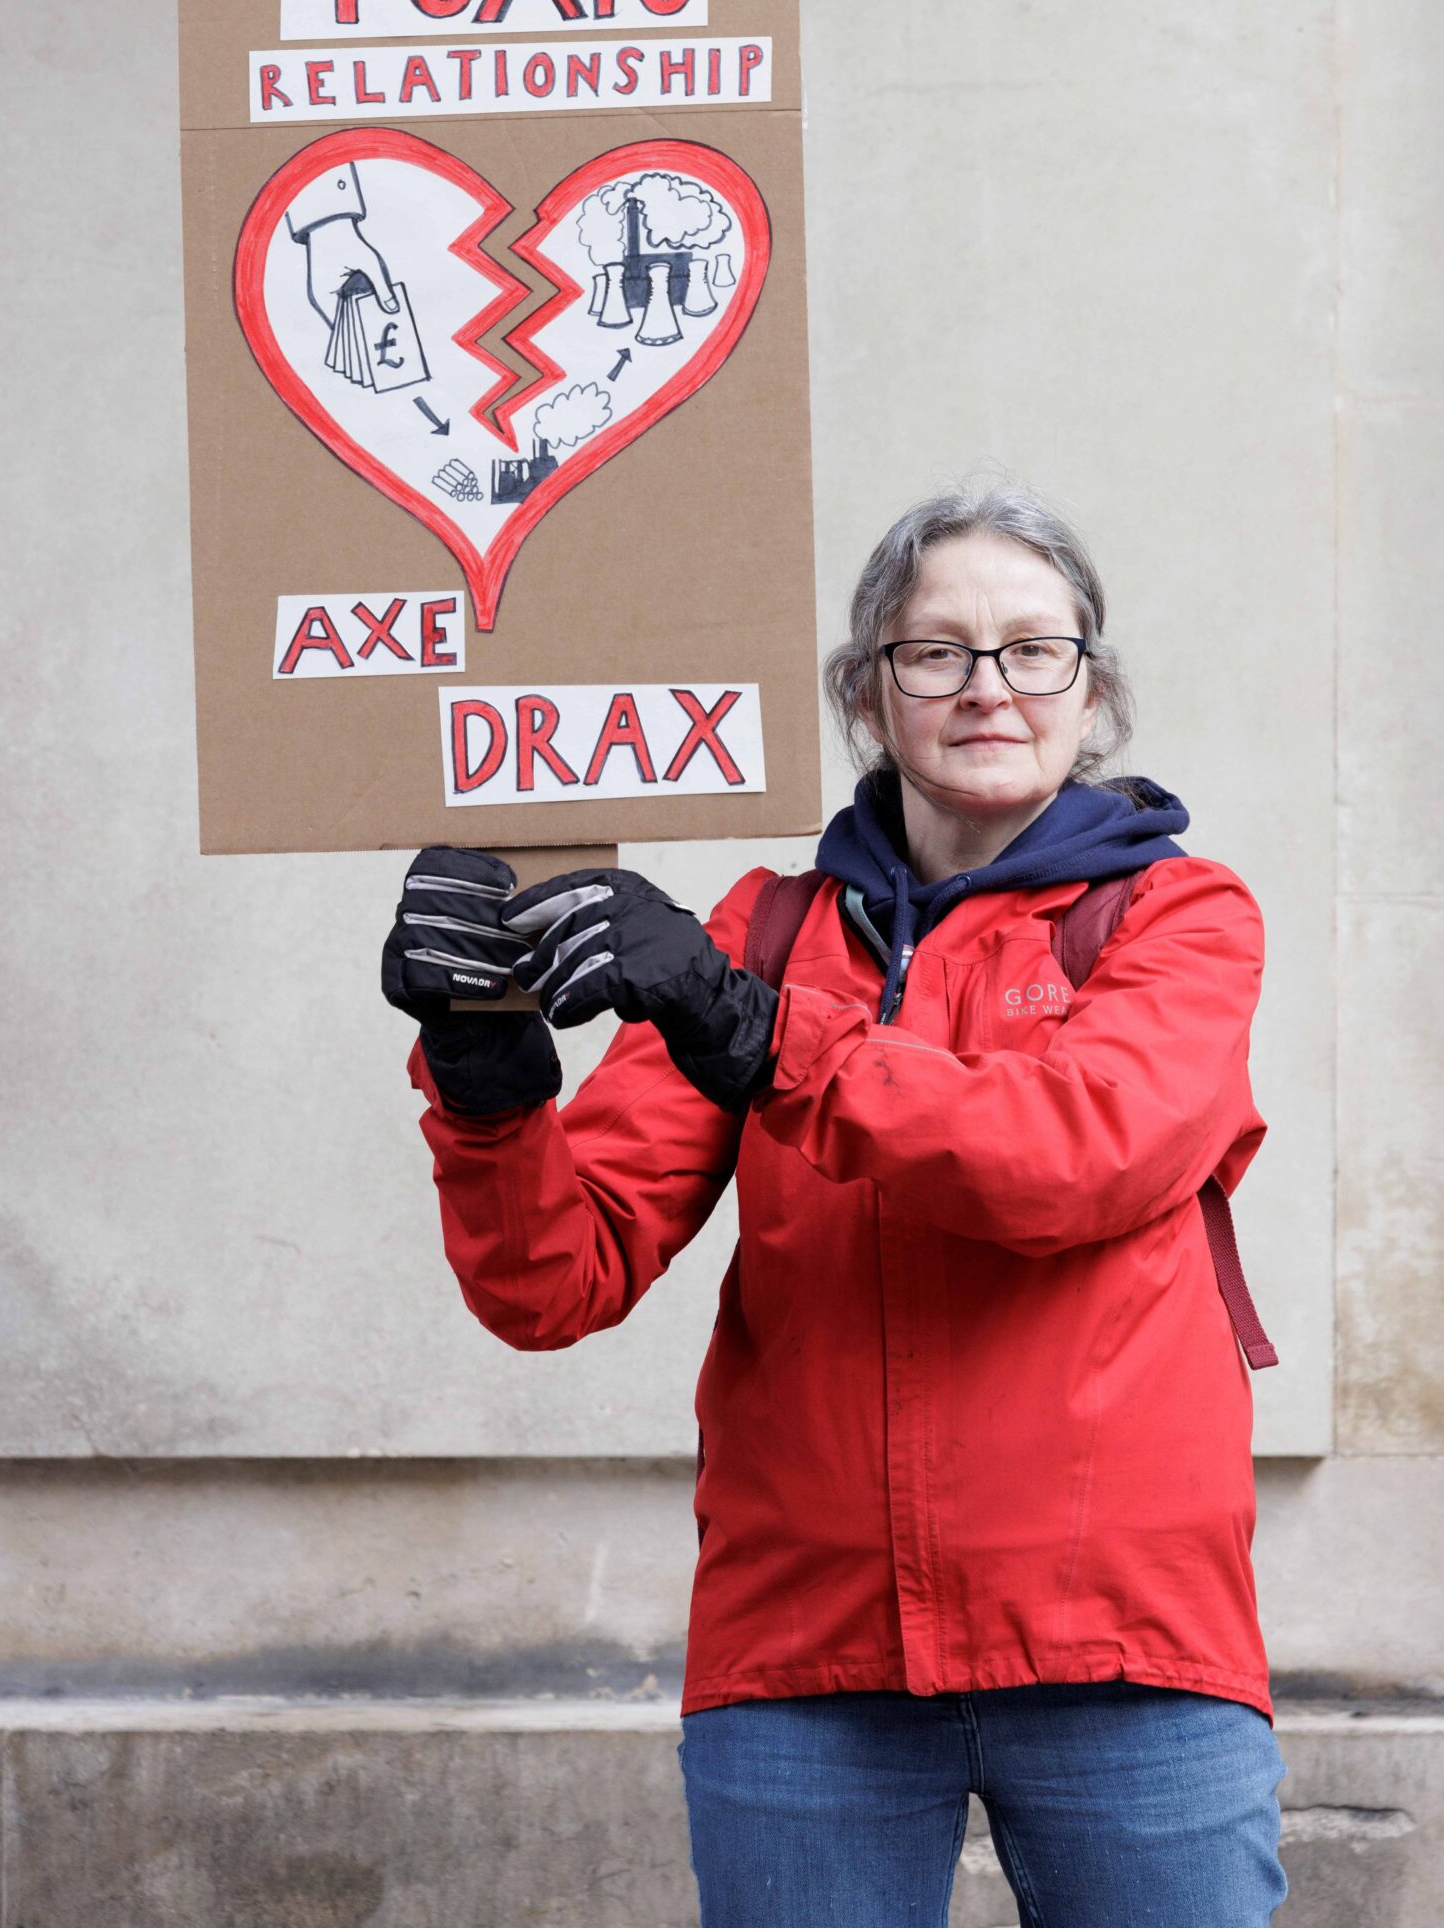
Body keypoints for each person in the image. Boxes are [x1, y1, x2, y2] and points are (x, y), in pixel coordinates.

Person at [383, 486, 1288, 1927]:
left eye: (1031, 650)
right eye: (934, 652)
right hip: (809, 1661)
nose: (987, 687)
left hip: (1123, 1645)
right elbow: (557, 1278)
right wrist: (489, 1079)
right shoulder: (763, 934)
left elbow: (1073, 1156)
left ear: (1092, 689)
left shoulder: (1181, 917)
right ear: (869, 696)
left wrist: (763, 1039)